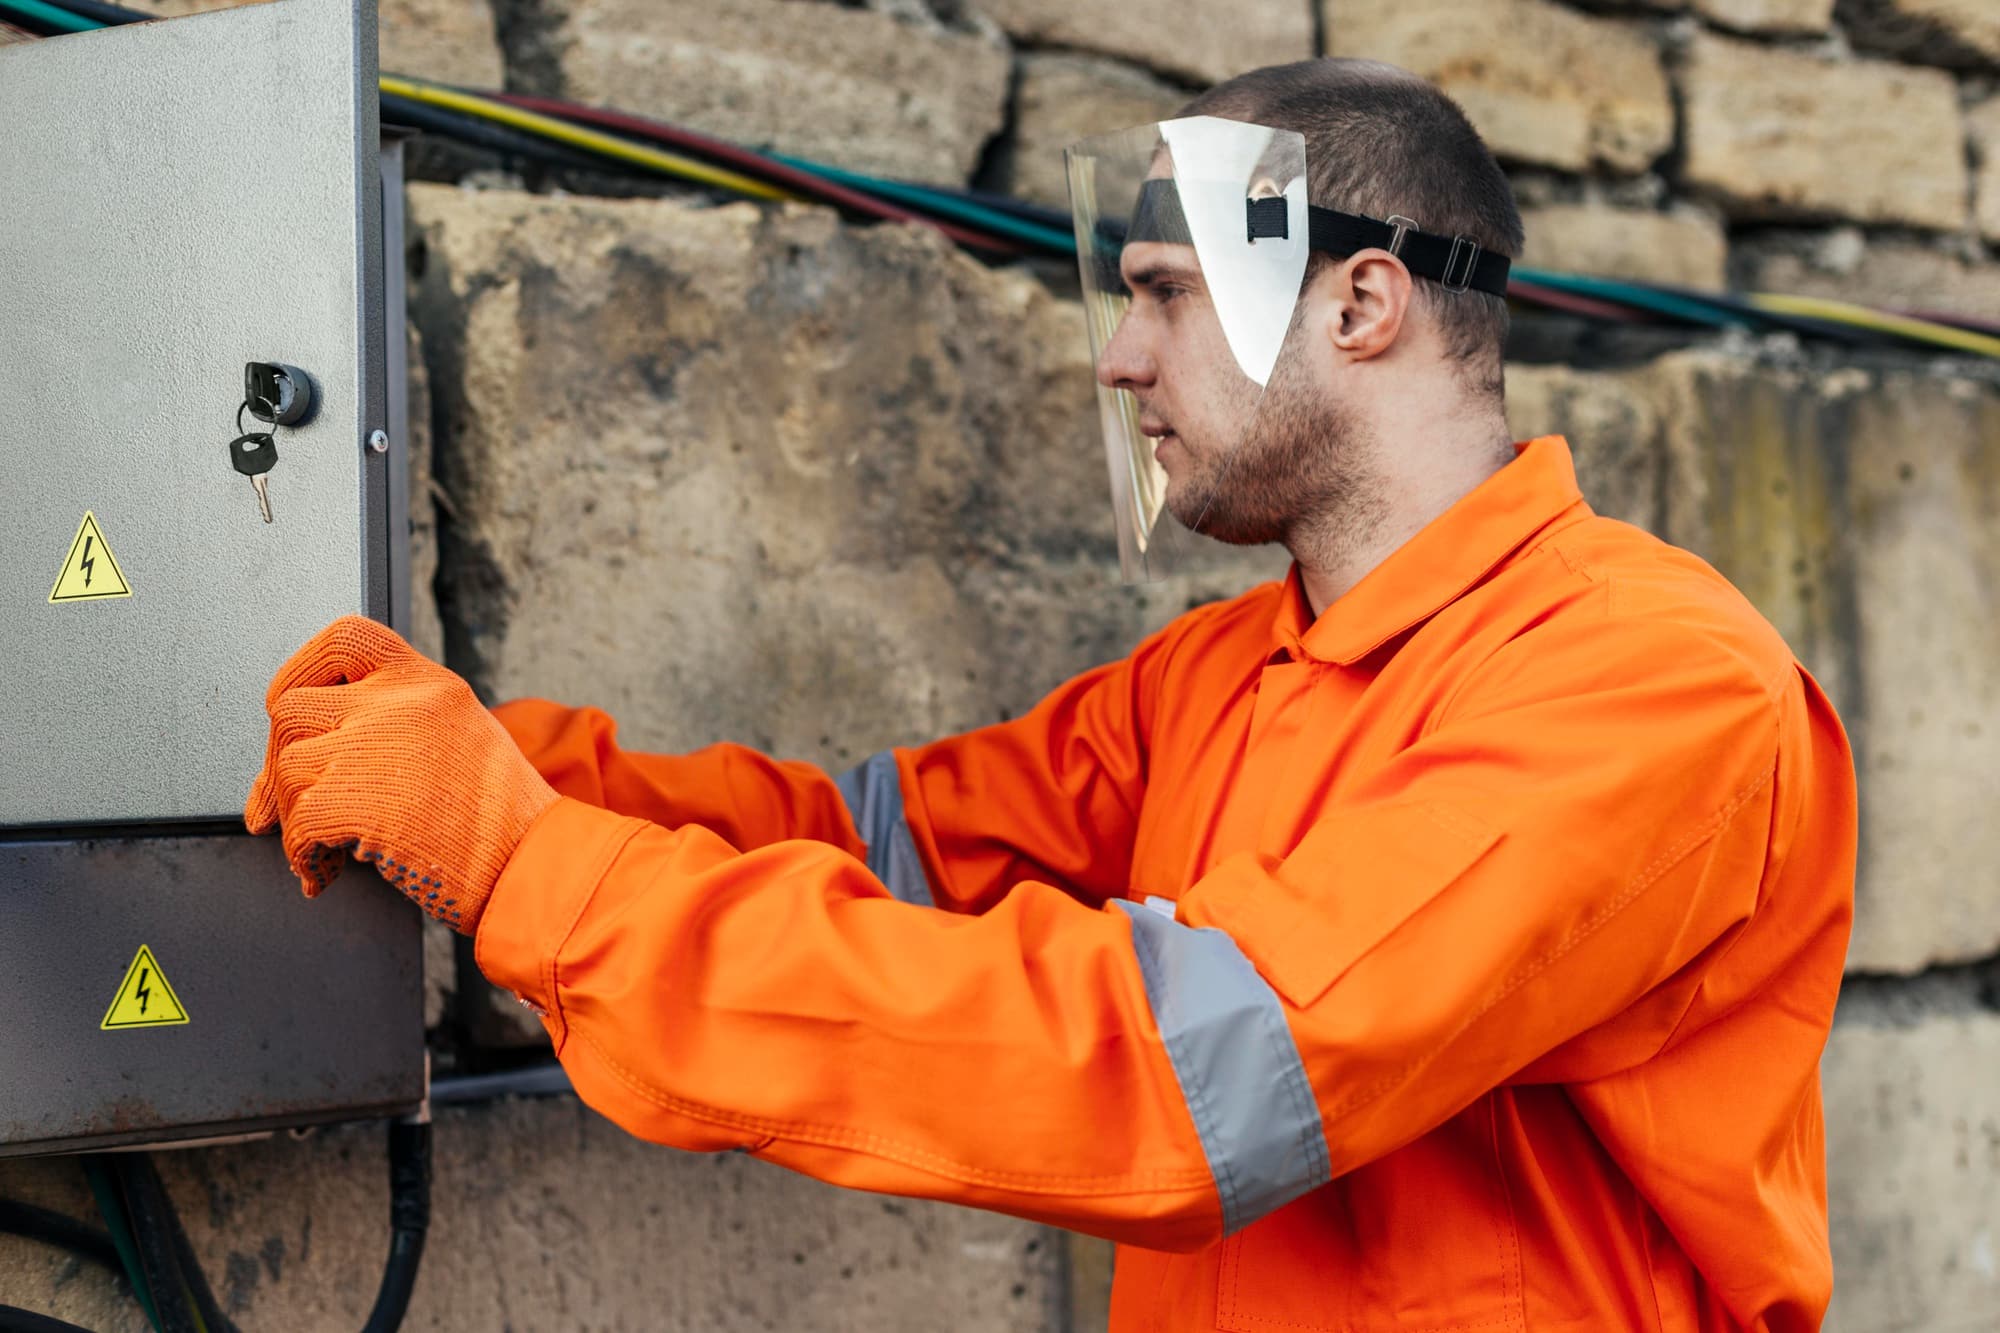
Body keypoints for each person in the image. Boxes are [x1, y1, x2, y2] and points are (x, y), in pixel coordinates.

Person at [246, 58, 1856, 1332]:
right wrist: (475, 768)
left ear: (1363, 306)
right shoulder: (1221, 676)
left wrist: (528, 873)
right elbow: (876, 845)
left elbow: (1174, 1080)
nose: (1117, 354)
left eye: (1164, 292)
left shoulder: (1645, 684)